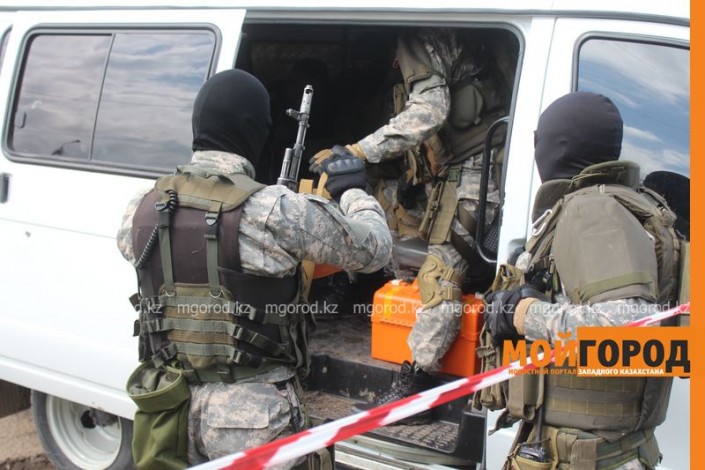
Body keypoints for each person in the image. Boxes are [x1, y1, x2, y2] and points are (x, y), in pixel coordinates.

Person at [116, 69, 392, 469]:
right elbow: (375, 249)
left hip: (169, 410)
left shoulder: (140, 206)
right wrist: (353, 189)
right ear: (256, 130)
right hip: (253, 419)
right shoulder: (272, 210)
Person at [311, 28, 509, 421]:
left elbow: (429, 112)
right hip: (452, 170)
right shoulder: (433, 39)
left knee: (441, 275)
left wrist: (358, 151)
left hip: (479, 171)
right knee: (381, 207)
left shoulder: (420, 36)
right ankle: (347, 289)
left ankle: (415, 388)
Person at [483, 92, 680, 469]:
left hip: (586, 454)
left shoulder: (593, 209)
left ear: (558, 146)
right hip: (588, 449)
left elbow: (631, 329)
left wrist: (523, 313)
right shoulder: (614, 206)